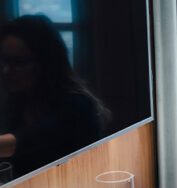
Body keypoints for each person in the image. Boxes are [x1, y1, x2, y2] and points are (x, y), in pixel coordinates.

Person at [0, 14, 109, 179]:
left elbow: (30, 140)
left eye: (19, 63)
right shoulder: (18, 101)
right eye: (5, 61)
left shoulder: (77, 105)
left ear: (46, 63)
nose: (7, 71)